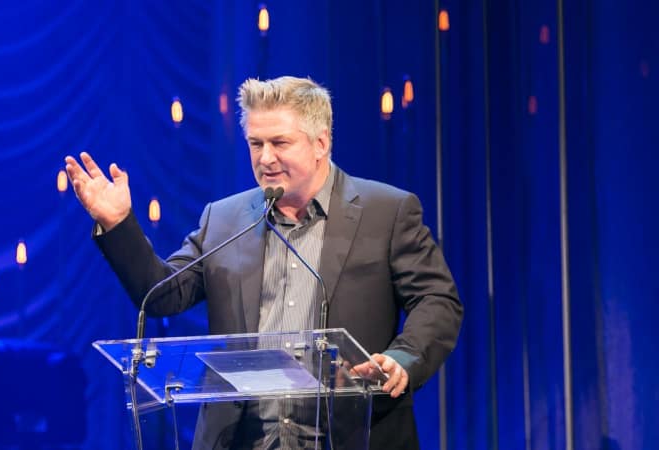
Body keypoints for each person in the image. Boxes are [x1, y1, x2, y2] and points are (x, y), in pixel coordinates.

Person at [65, 76, 463, 450]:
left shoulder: (387, 211)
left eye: (280, 143)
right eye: (256, 144)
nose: (266, 158)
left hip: (351, 434)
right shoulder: (223, 219)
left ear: (321, 142)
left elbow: (437, 300)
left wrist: (401, 359)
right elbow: (163, 295)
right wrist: (118, 225)